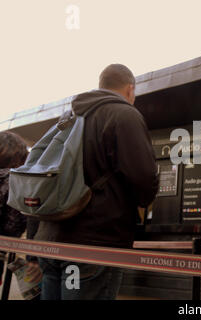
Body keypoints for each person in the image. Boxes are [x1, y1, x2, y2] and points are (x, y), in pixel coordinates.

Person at [34, 64, 160, 300]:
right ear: (130, 89)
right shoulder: (124, 114)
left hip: (50, 240)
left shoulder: (69, 117)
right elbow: (143, 178)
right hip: (93, 243)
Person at [0, 132, 42, 290]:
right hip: (10, 246)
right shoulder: (14, 180)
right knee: (35, 290)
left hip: (8, 249)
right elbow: (27, 218)